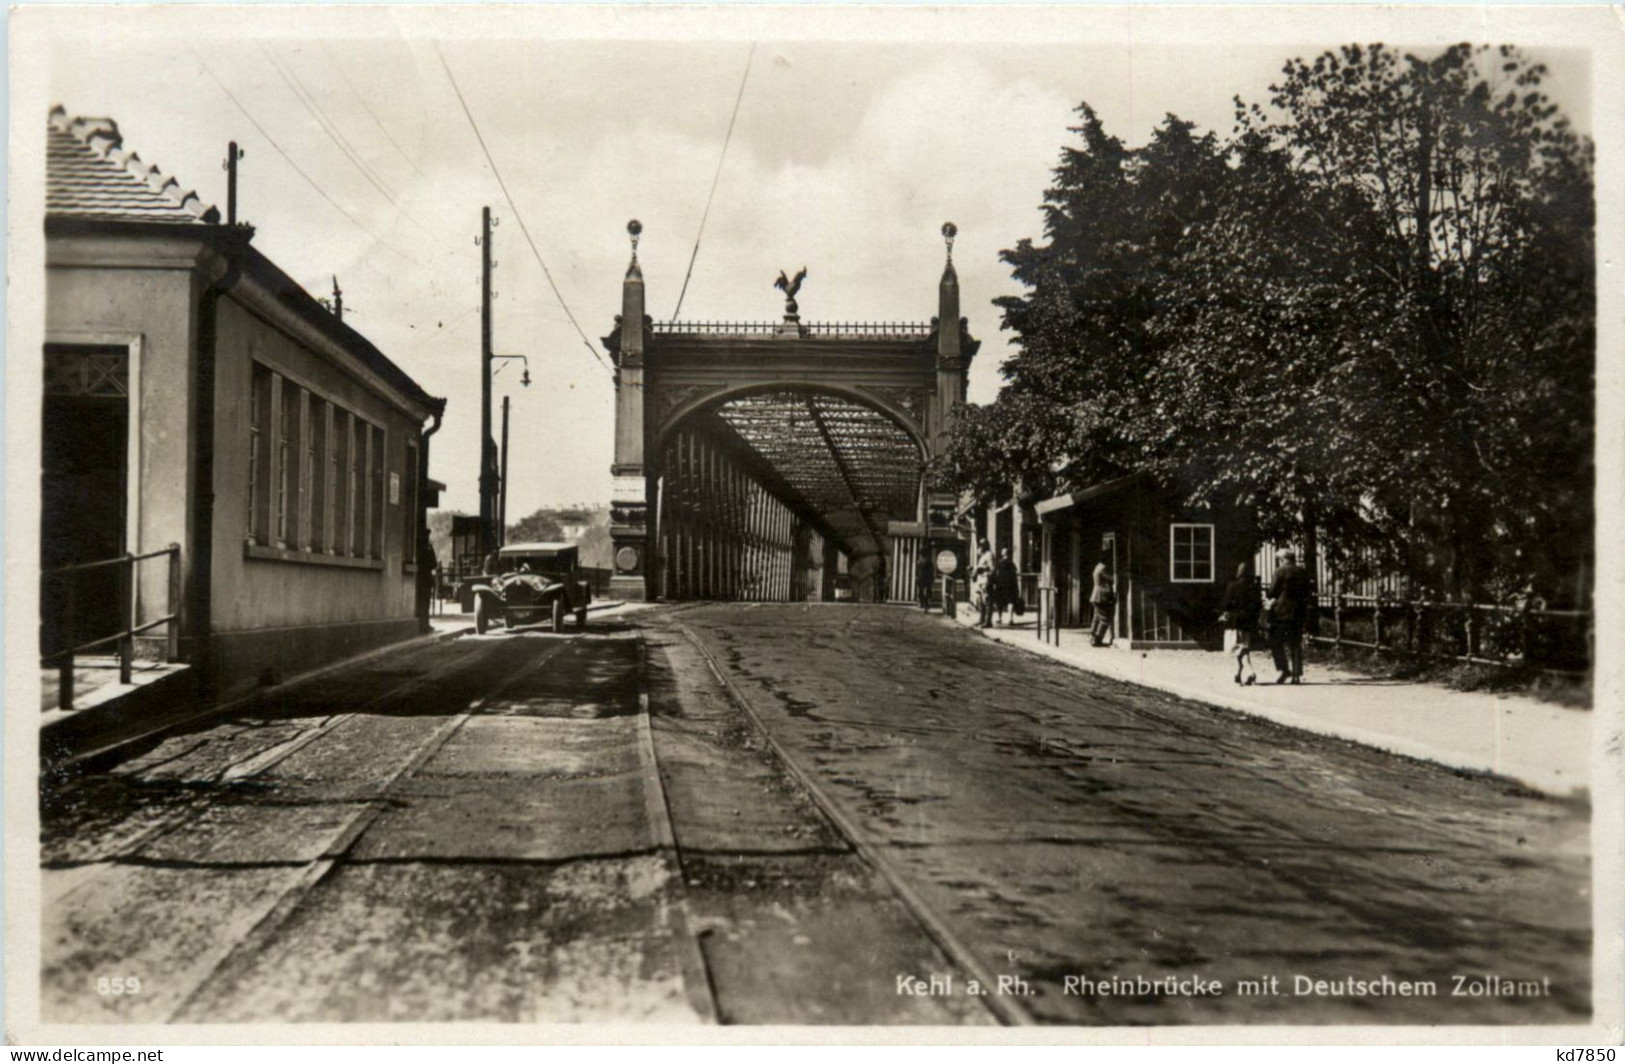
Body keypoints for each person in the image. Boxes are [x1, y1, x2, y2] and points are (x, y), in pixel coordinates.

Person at [1265, 548, 1311, 684]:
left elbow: (1272, 591)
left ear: (1283, 559)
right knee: (1295, 643)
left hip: (1280, 612)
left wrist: (1271, 598)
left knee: (1275, 641)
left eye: (1279, 559)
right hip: (1298, 612)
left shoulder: (1280, 571)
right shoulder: (1302, 572)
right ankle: (1296, 674)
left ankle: (1283, 669)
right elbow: (1306, 592)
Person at [1221, 561, 1259, 684]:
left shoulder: (1233, 586)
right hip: (1248, 622)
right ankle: (1238, 672)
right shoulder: (1254, 588)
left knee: (1235, 648)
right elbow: (1257, 606)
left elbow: (1226, 604)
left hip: (1234, 622)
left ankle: (1249, 670)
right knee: (1244, 647)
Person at [1089, 550, 1115, 647]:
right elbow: (1111, 579)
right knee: (1104, 619)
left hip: (1095, 595)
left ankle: (1092, 637)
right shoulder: (1103, 568)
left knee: (1096, 618)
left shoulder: (1098, 566)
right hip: (1102, 595)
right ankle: (1098, 639)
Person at [991, 547, 1020, 627]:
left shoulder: (999, 563)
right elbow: (1015, 574)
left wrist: (993, 583)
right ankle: (1010, 619)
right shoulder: (1011, 563)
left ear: (1002, 554)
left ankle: (1000, 618)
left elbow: (995, 574)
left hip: (1000, 585)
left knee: (999, 602)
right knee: (1010, 602)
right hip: (1011, 585)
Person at [972, 541, 993, 628]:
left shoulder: (989, 555)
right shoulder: (982, 556)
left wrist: (982, 569)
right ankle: (982, 619)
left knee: (987, 601)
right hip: (980, 580)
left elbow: (992, 568)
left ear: (984, 546)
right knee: (981, 601)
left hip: (986, 580)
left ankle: (988, 622)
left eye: (980, 546)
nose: (979, 548)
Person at [915, 547, 935, 612]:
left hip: (921, 579)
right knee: (927, 592)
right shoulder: (929, 562)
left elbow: (917, 572)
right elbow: (931, 572)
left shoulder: (919, 562)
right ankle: (926, 604)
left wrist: (917, 578)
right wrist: (932, 579)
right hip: (927, 580)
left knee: (921, 592)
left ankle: (921, 603)